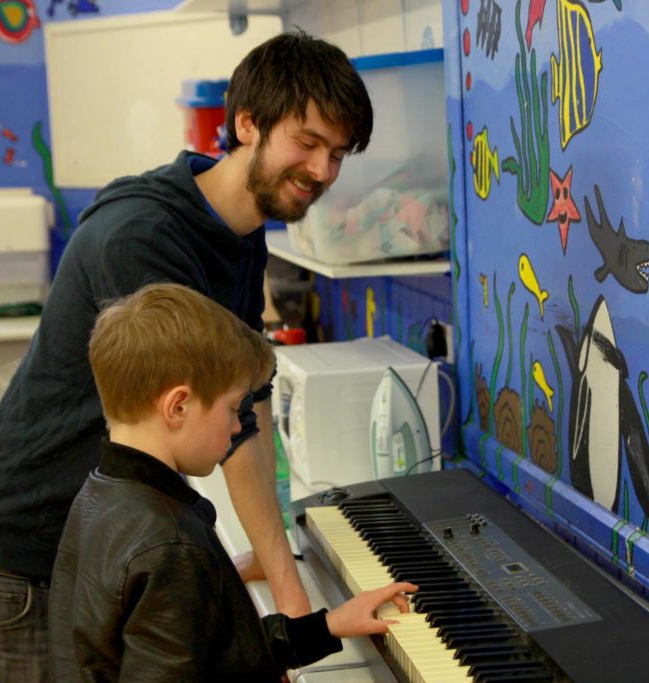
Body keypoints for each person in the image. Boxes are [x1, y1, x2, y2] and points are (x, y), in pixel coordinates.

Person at [0, 29, 373, 681]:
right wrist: (272, 602)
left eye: (338, 153)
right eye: (307, 143)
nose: (323, 171)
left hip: (92, 546)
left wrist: (286, 597)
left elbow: (239, 406)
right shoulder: (145, 239)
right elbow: (212, 430)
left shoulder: (238, 231)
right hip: (19, 554)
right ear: (246, 123)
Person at [48, 283, 415, 681]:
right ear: (178, 407)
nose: (239, 425)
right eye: (232, 407)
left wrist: (325, 626)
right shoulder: (169, 544)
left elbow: (211, 650)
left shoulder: (101, 493)